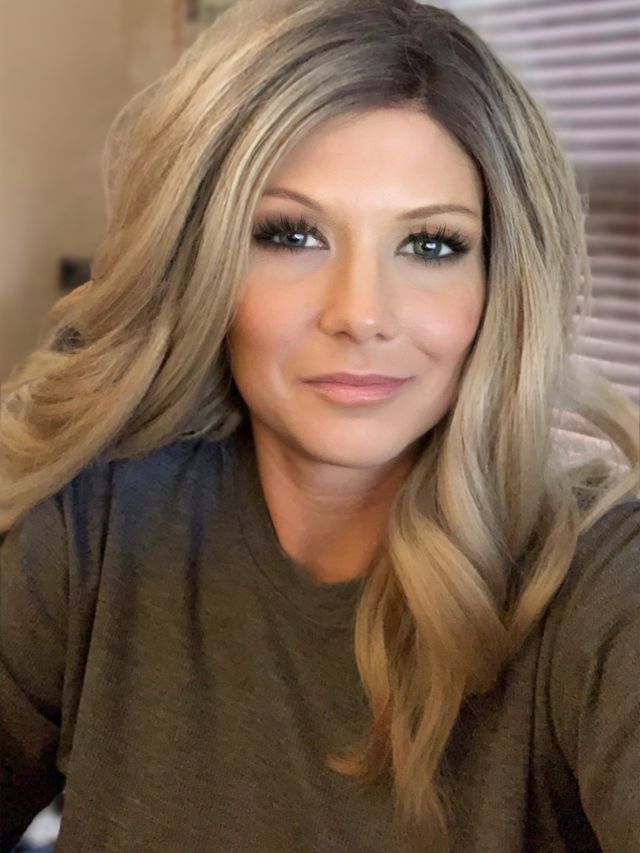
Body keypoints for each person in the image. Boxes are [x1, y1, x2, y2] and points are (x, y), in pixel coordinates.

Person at [1, 0, 638, 850]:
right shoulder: (99, 521)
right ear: (202, 258)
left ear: (502, 282)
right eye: (292, 234)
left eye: (432, 245)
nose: (361, 314)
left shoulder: (600, 577)